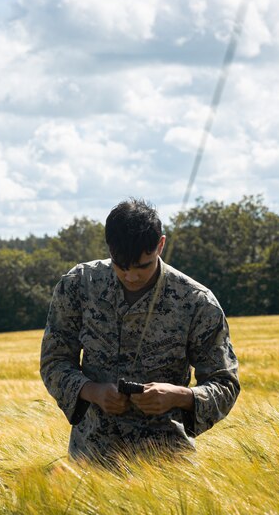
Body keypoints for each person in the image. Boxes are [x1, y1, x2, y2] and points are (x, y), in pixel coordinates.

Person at [40, 198, 240, 465]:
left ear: (161, 245)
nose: (131, 276)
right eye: (121, 266)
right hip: (91, 461)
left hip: (168, 464)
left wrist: (179, 396)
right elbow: (54, 363)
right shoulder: (78, 285)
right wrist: (92, 391)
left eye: (142, 266)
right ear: (110, 249)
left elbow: (225, 384)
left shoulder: (196, 302)